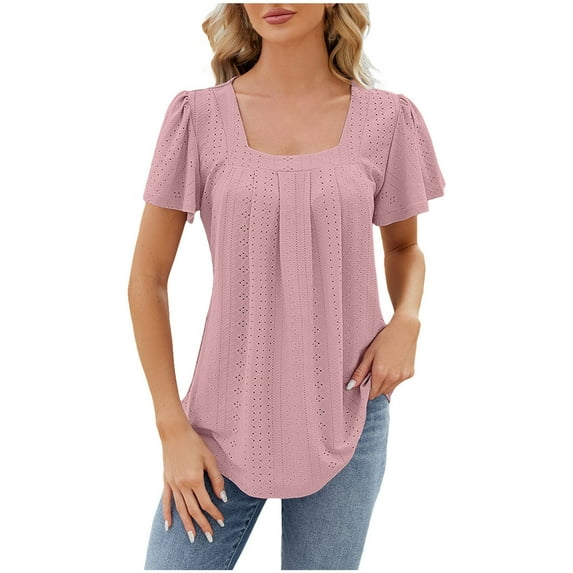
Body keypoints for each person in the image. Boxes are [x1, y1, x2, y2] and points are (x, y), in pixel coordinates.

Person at [128, 3, 446, 570]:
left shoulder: (387, 120)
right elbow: (147, 279)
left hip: (347, 411)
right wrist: (171, 426)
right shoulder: (198, 119)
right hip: (219, 426)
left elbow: (403, 248)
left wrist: (407, 319)